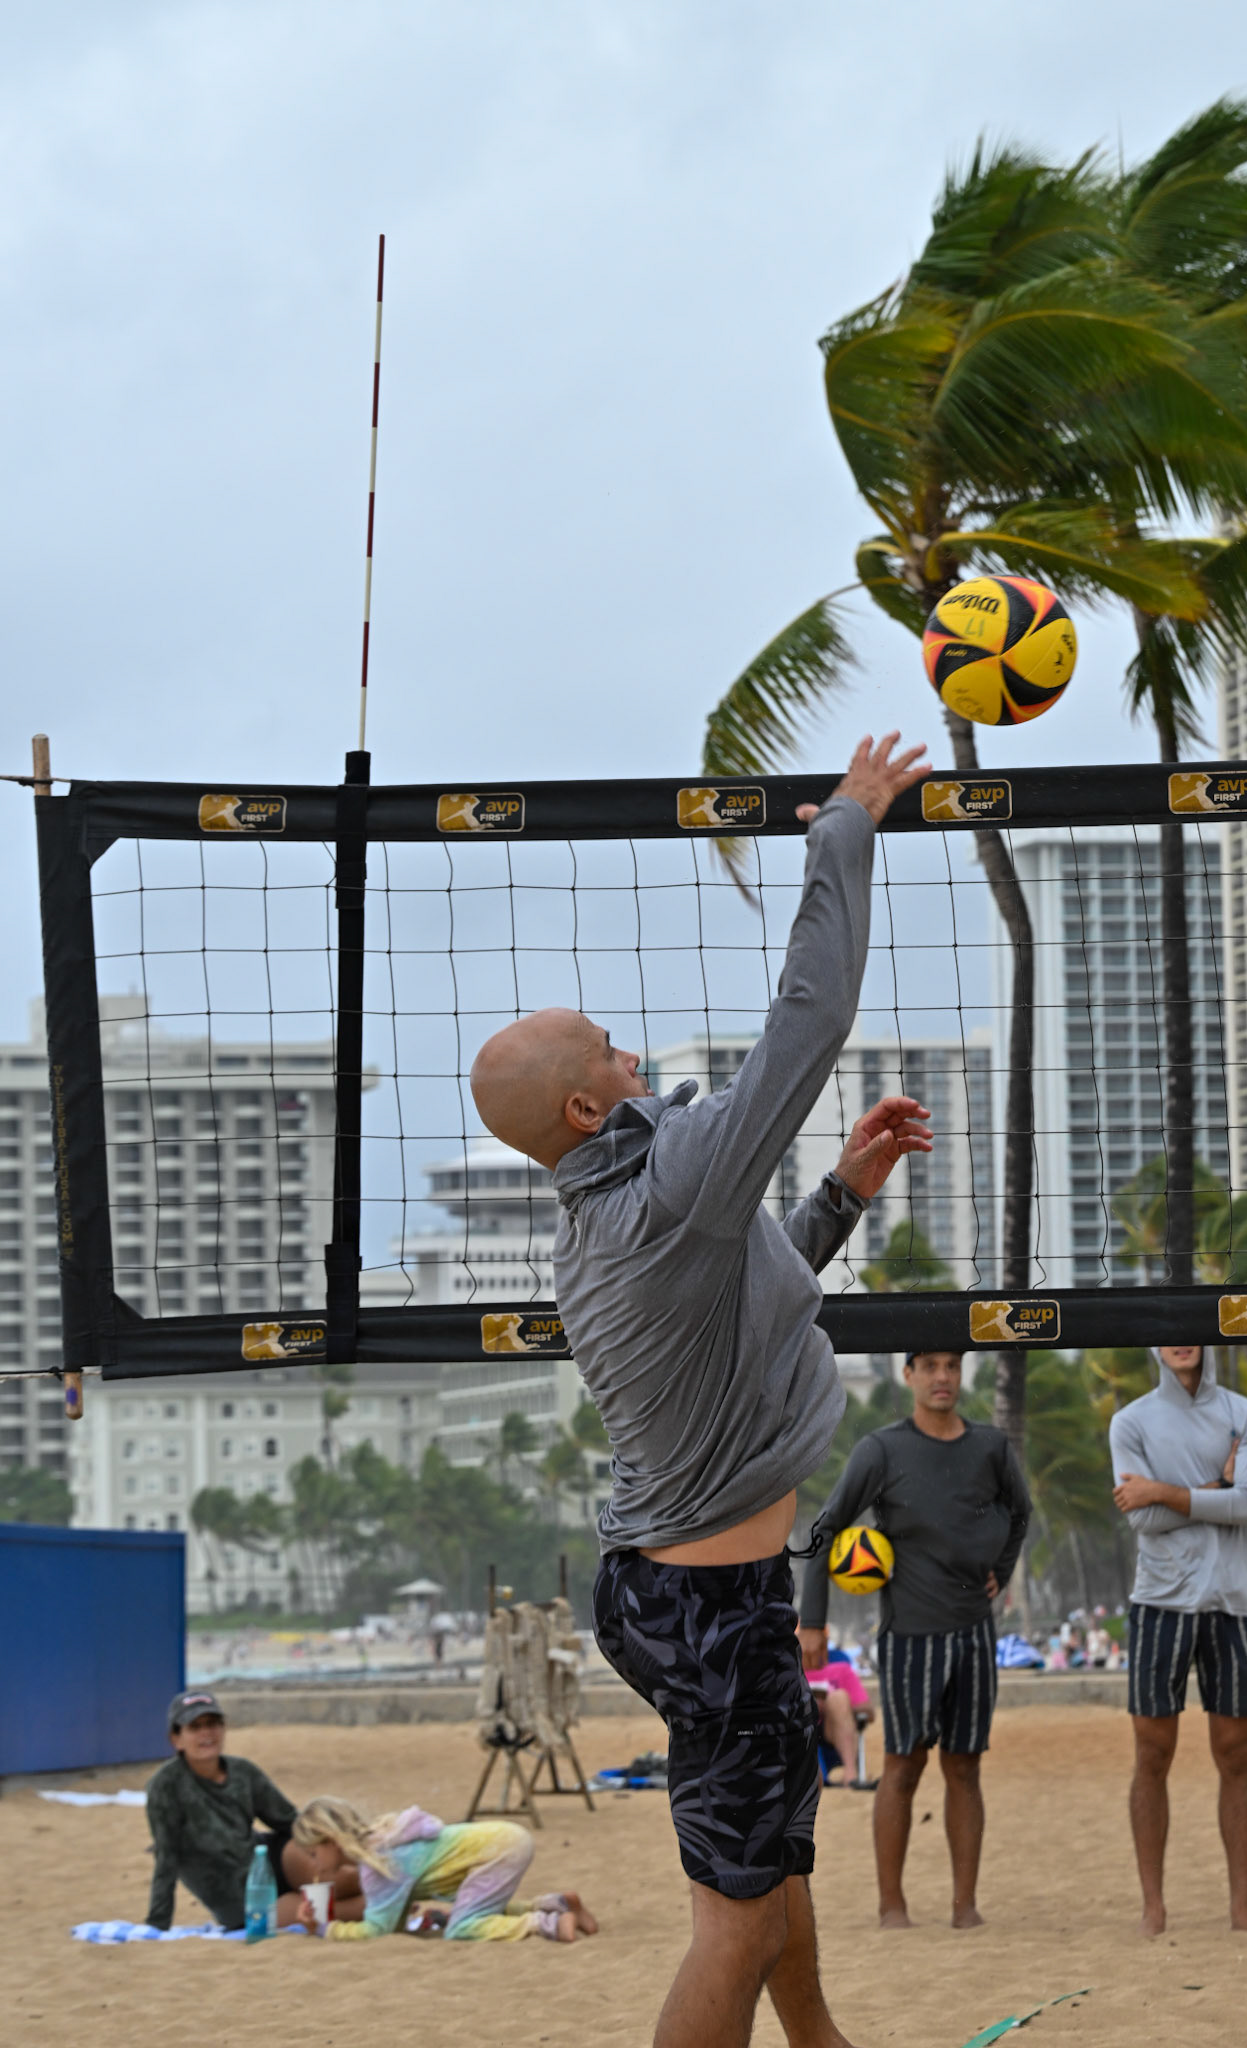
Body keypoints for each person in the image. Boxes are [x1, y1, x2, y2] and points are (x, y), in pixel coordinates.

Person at [471, 732, 934, 2048]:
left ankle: (822, 2042)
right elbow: (810, 1021)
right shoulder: (667, 1187)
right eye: (610, 1051)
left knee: (776, 1870)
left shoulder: (617, 1216)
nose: (633, 1057)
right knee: (732, 1926)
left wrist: (838, 1196)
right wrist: (844, 828)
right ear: (582, 1109)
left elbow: (743, 1305)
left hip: (696, 1592)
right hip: (707, 1612)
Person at [798, 1349, 1030, 1931]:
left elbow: (1020, 1513)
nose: (942, 1377)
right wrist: (812, 1621)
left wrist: (1001, 1569)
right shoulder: (881, 1450)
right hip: (909, 1635)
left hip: (975, 1632)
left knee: (965, 1767)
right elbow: (825, 1530)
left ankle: (964, 1906)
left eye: (951, 1365)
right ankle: (891, 1906)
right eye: (929, 1366)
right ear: (909, 1376)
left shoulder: (991, 1447)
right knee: (903, 1764)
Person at [1110, 1344, 1247, 1937]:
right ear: (1155, 1344)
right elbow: (1141, 1518)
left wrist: (1164, 1490)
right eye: (1170, 1333)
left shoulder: (1245, 1414)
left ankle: (1241, 1906)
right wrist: (1217, 1485)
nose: (1181, 1341)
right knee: (1152, 1756)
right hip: (1159, 1601)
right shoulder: (1130, 1421)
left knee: (1235, 1756)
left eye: (1192, 1329)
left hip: (1232, 1603)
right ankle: (1153, 1905)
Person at [144, 1688, 360, 1931]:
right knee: (338, 1908)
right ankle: (387, 1900)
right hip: (238, 1897)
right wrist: (157, 1924)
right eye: (195, 1727)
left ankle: (386, 1870)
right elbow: (166, 1856)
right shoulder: (165, 1786)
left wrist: (331, 1845)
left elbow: (290, 1821)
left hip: (266, 1858)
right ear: (176, 1739)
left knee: (339, 1874)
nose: (206, 1732)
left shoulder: (243, 1771)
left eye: (213, 1723)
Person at [290, 1798, 596, 1942]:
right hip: (502, 1838)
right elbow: (394, 1918)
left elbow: (375, 1930)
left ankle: (547, 1924)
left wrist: (323, 1929)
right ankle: (558, 1904)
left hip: (497, 1850)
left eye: (313, 1854)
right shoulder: (384, 1838)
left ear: (331, 1841)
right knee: (478, 1908)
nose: (314, 1865)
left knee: (463, 1927)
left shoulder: (377, 1865)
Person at [804, 1649, 874, 1788]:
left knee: (838, 1698)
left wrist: (827, 1702)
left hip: (831, 1728)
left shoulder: (841, 1669)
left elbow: (868, 1712)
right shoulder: (786, 1670)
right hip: (798, 1727)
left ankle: (850, 1776)